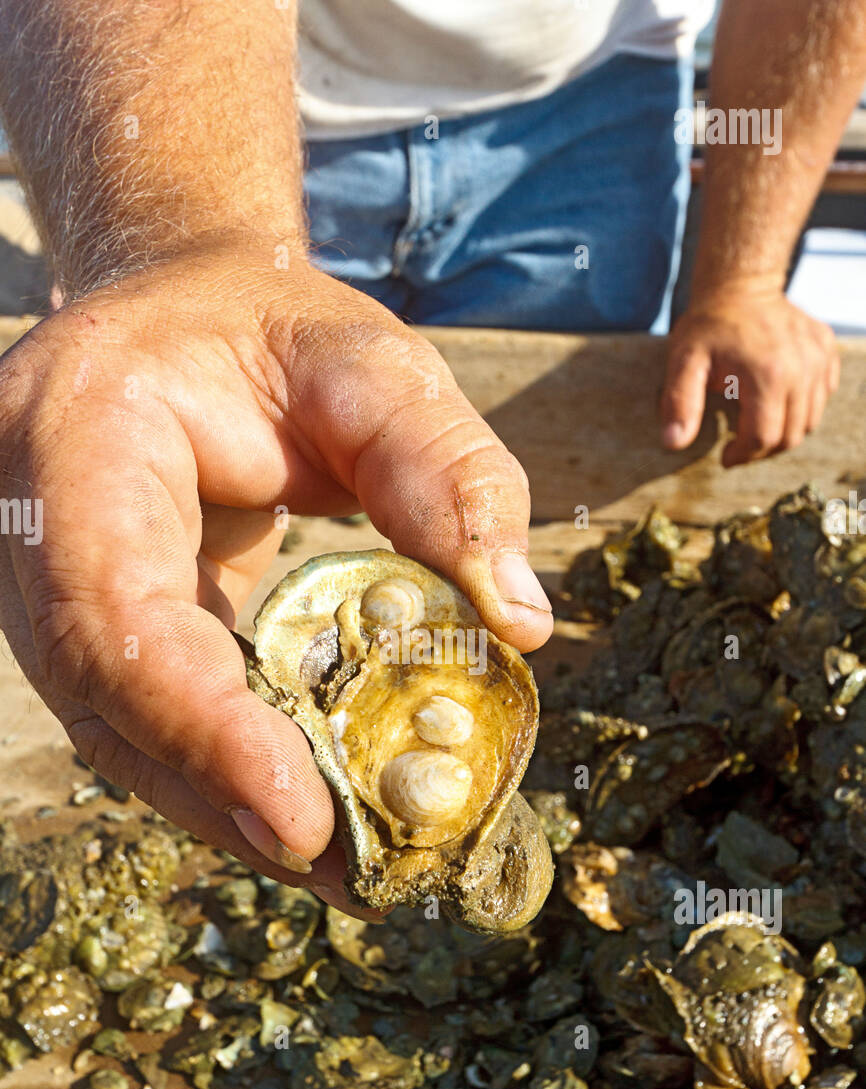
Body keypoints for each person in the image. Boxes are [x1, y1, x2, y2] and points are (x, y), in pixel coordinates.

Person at [0, 0, 860, 912]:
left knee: (470, 468)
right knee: (283, 445)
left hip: (589, 108)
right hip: (252, 91)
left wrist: (742, 283)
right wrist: (184, 242)